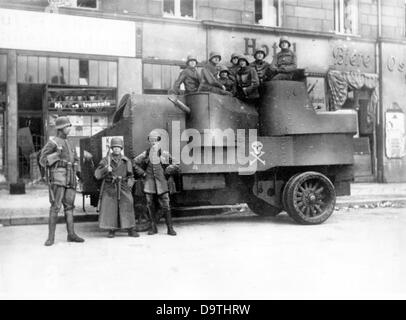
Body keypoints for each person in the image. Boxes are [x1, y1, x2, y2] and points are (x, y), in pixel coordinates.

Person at [39, 116, 85, 246]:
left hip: (71, 176)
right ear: (60, 128)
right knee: (55, 207)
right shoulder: (53, 142)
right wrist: (56, 155)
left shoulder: (70, 143)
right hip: (58, 177)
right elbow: (42, 160)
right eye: (67, 126)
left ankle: (71, 235)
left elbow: (75, 160)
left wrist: (79, 175)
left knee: (69, 207)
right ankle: (50, 238)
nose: (69, 128)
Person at [133, 130, 179, 236]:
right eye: (151, 140)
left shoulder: (165, 154)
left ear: (159, 141)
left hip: (162, 183)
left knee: (166, 205)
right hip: (149, 183)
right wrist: (142, 173)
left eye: (156, 140)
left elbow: (176, 163)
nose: (153, 142)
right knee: (150, 205)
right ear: (149, 141)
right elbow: (134, 162)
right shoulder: (145, 154)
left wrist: (168, 170)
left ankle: (170, 228)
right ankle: (153, 228)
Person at [94, 137, 138, 238]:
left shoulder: (126, 161)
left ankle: (130, 229)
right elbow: (97, 174)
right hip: (110, 186)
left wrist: (129, 186)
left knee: (128, 204)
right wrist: (106, 169)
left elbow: (131, 176)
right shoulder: (106, 160)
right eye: (114, 147)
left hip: (123, 186)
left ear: (121, 148)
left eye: (118, 147)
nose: (116, 149)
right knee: (110, 208)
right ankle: (111, 229)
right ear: (111, 148)